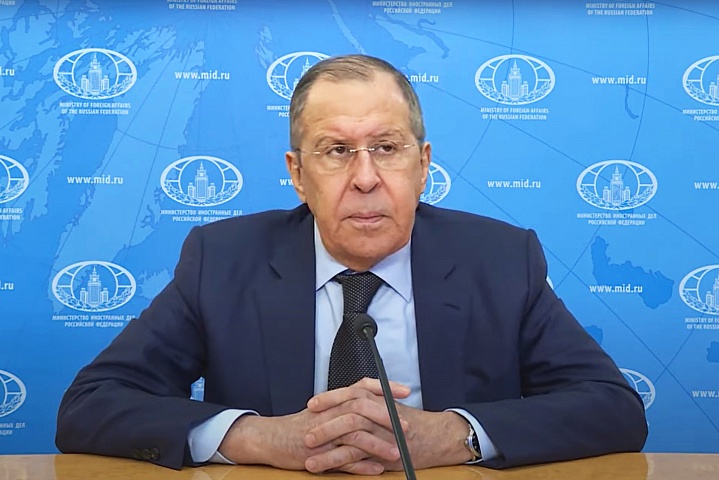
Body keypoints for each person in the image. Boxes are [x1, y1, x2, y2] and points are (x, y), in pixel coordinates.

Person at [55, 54, 648, 474]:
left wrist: (456, 435)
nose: (365, 178)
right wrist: (258, 437)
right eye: (337, 151)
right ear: (297, 173)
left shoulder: (499, 259)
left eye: (386, 148)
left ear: (423, 165)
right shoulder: (224, 260)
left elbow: (611, 407)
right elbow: (90, 406)